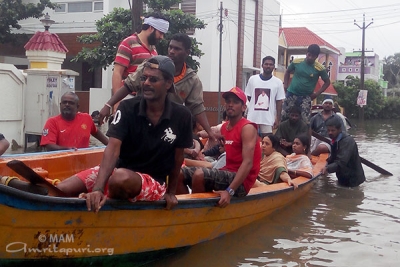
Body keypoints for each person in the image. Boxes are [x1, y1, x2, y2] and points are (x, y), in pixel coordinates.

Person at [59, 56, 193, 212]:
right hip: (118, 171)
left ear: (168, 83)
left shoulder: (182, 115)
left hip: (153, 181)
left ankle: (103, 200)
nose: (146, 83)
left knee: (120, 179)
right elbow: (113, 148)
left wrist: (171, 192)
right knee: (61, 189)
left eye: (153, 79)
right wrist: (98, 188)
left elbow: (178, 158)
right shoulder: (127, 108)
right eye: (144, 78)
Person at [99, 33, 216, 141]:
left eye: (177, 49)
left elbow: (197, 107)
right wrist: (108, 105)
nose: (171, 51)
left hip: (167, 128)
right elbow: (129, 85)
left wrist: (209, 132)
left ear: (187, 52)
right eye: (170, 47)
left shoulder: (192, 79)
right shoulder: (150, 66)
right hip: (142, 121)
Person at [179, 87, 261, 207]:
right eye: (228, 101)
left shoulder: (247, 128)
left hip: (242, 182)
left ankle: (197, 213)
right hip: (226, 172)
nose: (230, 105)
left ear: (244, 107)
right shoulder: (224, 127)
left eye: (235, 102)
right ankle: (184, 210)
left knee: (199, 175)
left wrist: (229, 191)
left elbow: (248, 163)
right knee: (178, 173)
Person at [112, 13, 169, 103]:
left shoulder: (154, 49)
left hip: (145, 98)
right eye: (161, 33)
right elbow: (117, 72)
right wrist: (116, 102)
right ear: (151, 28)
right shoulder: (128, 43)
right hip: (129, 97)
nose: (162, 37)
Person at [40, 92, 109, 151]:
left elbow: (96, 132)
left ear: (77, 106)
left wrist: (111, 145)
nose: (67, 105)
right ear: (60, 105)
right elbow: (49, 146)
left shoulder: (86, 118)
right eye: (64, 102)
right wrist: (67, 150)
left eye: (71, 103)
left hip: (83, 161)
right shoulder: (52, 122)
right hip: (61, 162)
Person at [282, 44, 331, 124]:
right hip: (291, 94)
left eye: (313, 56)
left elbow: (327, 82)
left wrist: (316, 94)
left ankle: (303, 136)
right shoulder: (296, 62)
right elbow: (287, 71)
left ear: (316, 56)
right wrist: (285, 85)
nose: (310, 57)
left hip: (306, 97)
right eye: (309, 55)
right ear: (306, 53)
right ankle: (283, 135)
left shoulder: (320, 68)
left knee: (305, 120)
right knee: (285, 116)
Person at [245, 56, 285, 137]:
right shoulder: (253, 79)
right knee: (251, 139)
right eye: (266, 64)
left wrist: (278, 118)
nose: (268, 66)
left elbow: (279, 102)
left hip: (268, 118)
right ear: (262, 65)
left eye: (271, 64)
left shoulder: (278, 82)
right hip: (253, 117)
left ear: (274, 67)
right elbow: (249, 97)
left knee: (267, 142)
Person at [322, 116, 365, 187]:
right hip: (343, 177)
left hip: (352, 180)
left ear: (339, 130)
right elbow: (333, 157)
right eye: (328, 130)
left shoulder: (347, 141)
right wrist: (326, 163)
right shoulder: (335, 140)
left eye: (333, 130)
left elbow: (341, 162)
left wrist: (327, 168)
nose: (330, 133)